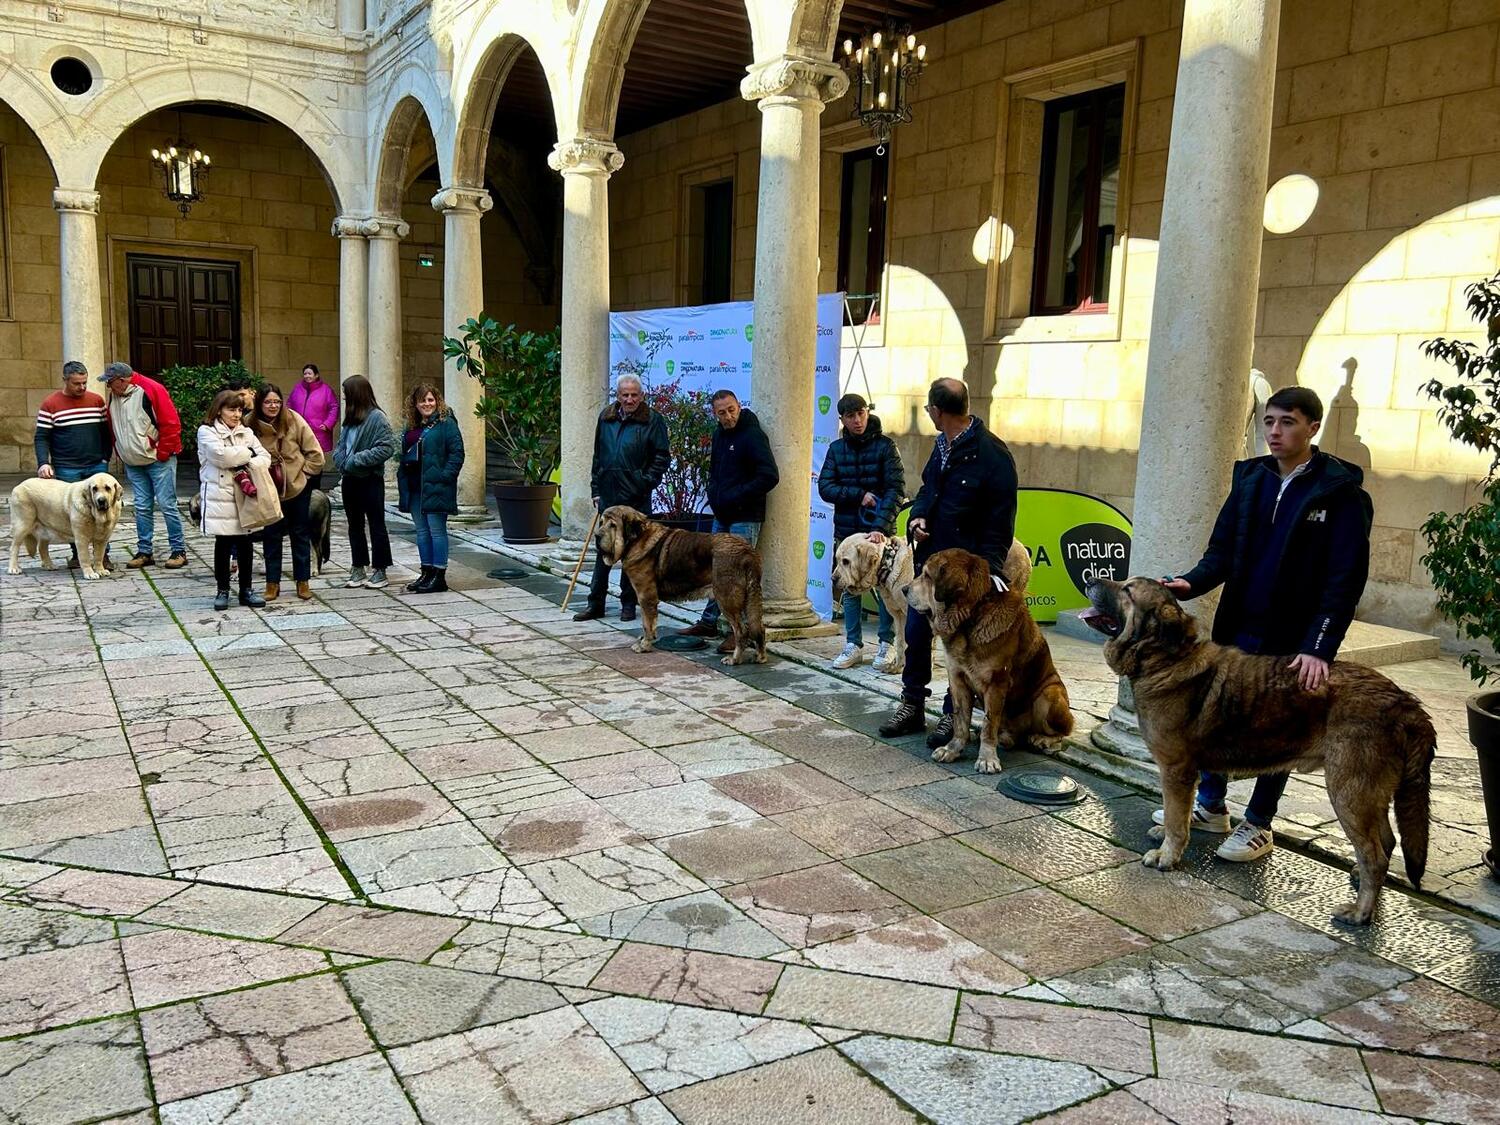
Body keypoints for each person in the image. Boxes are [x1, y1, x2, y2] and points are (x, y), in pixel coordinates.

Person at [1153, 386, 1372, 862]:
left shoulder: (1340, 493)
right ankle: (1211, 805)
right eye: (1269, 421)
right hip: (1239, 623)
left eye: (1287, 422)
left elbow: (1345, 580)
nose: (1274, 431)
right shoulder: (1252, 478)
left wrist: (1319, 646)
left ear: (1312, 428)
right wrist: (1191, 582)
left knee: (1281, 725)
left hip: (1294, 635)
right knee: (1218, 713)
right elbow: (1221, 551)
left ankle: (1258, 822)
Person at [880, 378, 1018, 745]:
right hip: (929, 567)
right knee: (916, 634)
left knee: (959, 649)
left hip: (963, 578)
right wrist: (918, 517)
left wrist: (990, 571)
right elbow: (929, 490)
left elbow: (1001, 522)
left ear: (937, 411)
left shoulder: (993, 455)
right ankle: (912, 704)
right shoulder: (941, 445)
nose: (929, 414)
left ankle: (952, 715)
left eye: (929, 408)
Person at [679, 390, 779, 653]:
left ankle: (740, 633)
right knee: (716, 572)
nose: (728, 416)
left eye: (732, 410)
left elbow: (769, 475)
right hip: (722, 514)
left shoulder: (752, 435)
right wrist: (714, 494)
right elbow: (714, 471)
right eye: (722, 412)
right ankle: (709, 621)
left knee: (736, 576)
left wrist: (737, 495)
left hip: (745, 515)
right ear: (715, 414)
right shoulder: (719, 434)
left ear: (739, 406)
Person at [818, 392, 906, 670]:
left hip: (880, 533)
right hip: (848, 531)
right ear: (842, 419)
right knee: (849, 587)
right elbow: (825, 487)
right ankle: (853, 644)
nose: (858, 420)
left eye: (861, 413)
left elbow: (896, 489)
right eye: (851, 416)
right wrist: (859, 495)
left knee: (886, 588)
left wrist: (880, 526)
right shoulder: (836, 449)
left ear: (868, 412)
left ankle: (886, 643)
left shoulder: (886, 446)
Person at [574, 374, 669, 622]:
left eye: (634, 395)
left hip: (635, 500)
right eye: (625, 395)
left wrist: (643, 482)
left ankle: (628, 604)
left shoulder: (653, 420)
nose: (629, 399)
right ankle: (595, 604)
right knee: (602, 550)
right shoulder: (606, 418)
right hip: (608, 497)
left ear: (642, 396)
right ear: (617, 396)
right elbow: (598, 456)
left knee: (632, 553)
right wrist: (596, 489)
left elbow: (661, 458)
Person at [101, 361, 188, 570]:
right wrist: (121, 452)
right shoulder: (114, 395)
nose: (108, 387)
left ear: (122, 381)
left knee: (167, 505)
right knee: (141, 507)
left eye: (110, 382)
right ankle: (144, 551)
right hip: (133, 461)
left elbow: (171, 423)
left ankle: (179, 550)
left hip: (157, 460)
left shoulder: (151, 389)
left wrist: (163, 452)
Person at [197, 389, 273, 611]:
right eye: (231, 409)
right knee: (223, 543)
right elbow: (220, 456)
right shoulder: (206, 431)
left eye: (240, 410)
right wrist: (247, 453)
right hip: (220, 494)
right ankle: (222, 590)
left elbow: (265, 458)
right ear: (219, 410)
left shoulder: (247, 432)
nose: (237, 414)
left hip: (244, 493)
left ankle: (246, 590)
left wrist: (245, 459)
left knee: (245, 543)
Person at [34, 360, 113, 568]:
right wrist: (43, 463)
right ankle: (78, 554)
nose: (82, 387)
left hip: (96, 466)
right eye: (77, 383)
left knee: (104, 511)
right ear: (65, 380)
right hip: (67, 467)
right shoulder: (50, 404)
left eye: (85, 382)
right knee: (74, 513)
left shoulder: (97, 401)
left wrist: (105, 457)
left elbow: (106, 432)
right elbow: (41, 437)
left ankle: (103, 556)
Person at [252, 384, 325, 602]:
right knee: (271, 535)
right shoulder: (249, 423)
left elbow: (316, 454)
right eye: (268, 402)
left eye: (276, 401)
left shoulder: (294, 419)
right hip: (268, 488)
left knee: (300, 534)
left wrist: (304, 475)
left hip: (296, 487)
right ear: (259, 403)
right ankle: (272, 583)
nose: (273, 406)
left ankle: (302, 581)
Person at [397, 383, 465, 595]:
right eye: (422, 400)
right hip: (415, 486)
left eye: (430, 400)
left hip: (436, 485)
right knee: (421, 531)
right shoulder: (411, 425)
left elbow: (457, 453)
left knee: (436, 530)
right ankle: (426, 572)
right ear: (415, 403)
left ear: (437, 401)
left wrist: (445, 477)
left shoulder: (446, 423)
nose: (427, 404)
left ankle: (439, 575)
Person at [333, 375, 397, 589]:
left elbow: (386, 447)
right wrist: (340, 459)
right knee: (354, 526)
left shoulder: (377, 418)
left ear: (356, 394)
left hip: (370, 479)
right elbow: (342, 445)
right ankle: (358, 567)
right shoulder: (350, 418)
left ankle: (380, 570)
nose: (344, 398)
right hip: (350, 480)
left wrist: (356, 460)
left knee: (377, 524)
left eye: (346, 394)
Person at [288, 363, 337, 490]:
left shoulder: (326, 390)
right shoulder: (297, 388)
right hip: (299, 431)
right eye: (305, 373)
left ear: (316, 375)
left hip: (318, 431)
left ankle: (315, 489)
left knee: (316, 461)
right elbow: (289, 405)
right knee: (299, 459)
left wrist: (327, 424)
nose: (307, 376)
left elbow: (334, 407)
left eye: (309, 373)